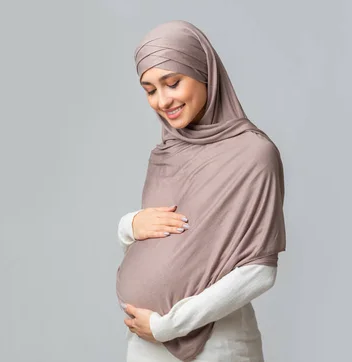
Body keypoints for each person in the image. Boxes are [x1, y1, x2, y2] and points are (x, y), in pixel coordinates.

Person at [114, 20, 287, 362]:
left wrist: (169, 325)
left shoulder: (253, 154)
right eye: (150, 90)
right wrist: (128, 226)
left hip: (217, 345)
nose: (162, 101)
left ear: (205, 72)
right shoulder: (166, 153)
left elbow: (258, 271)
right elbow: (169, 239)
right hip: (144, 341)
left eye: (172, 83)